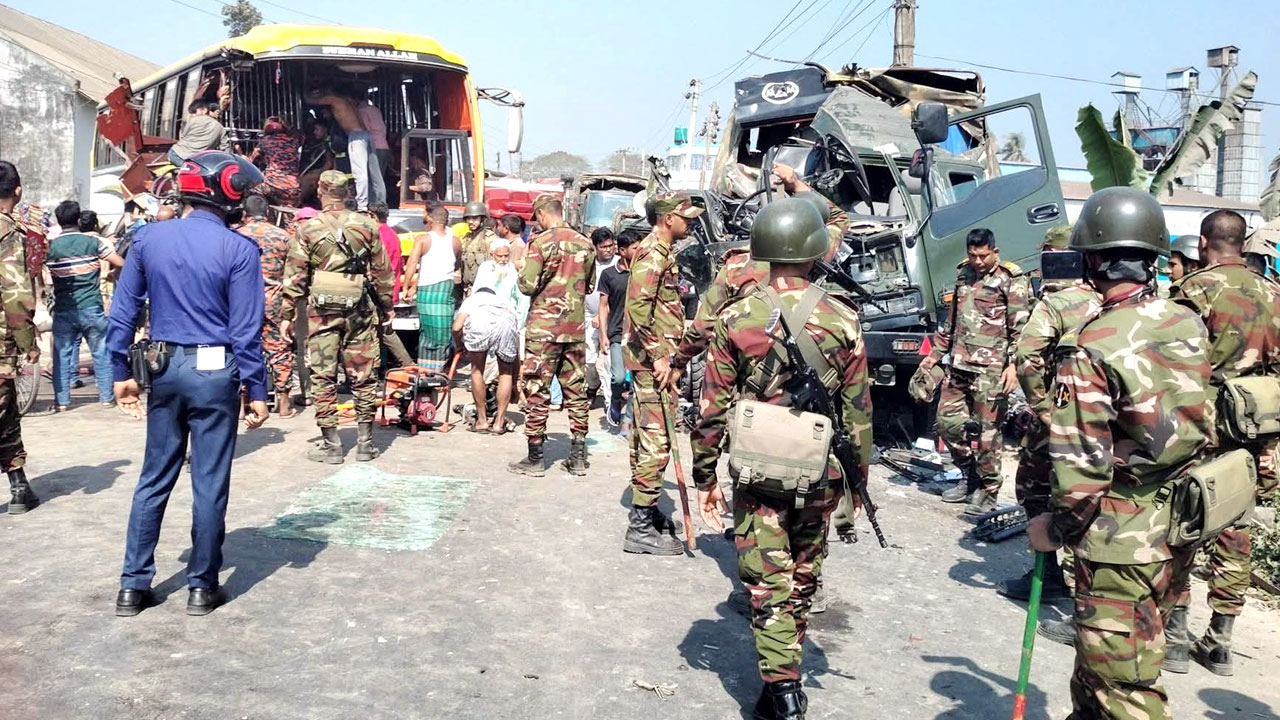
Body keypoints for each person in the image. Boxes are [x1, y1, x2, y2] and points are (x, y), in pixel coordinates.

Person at [1027, 187, 1210, 719]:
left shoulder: (1092, 344)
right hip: (1177, 521)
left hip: (1120, 540)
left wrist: (1053, 530)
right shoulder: (1186, 322)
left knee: (1124, 686)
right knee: (1102, 667)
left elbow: (1080, 469)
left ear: (1090, 260)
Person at [692, 198, 871, 720]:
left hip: (758, 471)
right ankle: (782, 680)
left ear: (765, 253)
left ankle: (783, 691)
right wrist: (857, 483)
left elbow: (712, 409)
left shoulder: (735, 317)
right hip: (821, 471)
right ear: (817, 250)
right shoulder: (844, 318)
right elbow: (858, 413)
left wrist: (706, 476)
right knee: (803, 574)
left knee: (768, 578)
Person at [107, 151, 271, 617]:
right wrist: (256, 391)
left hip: (162, 368)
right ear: (229, 192)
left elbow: (122, 313)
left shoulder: (147, 238)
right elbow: (245, 331)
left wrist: (120, 374)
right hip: (215, 373)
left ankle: (132, 587)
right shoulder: (239, 249)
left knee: (154, 476)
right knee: (209, 480)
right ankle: (202, 586)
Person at [1166, 209, 1280, 676]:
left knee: (1184, 518)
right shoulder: (1274, 293)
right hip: (1258, 430)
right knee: (1237, 527)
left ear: (1203, 242)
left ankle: (1174, 636)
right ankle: (1220, 642)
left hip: (1201, 427)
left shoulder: (1194, 290)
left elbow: (1170, 364)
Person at [999, 225, 1100, 605]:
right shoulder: (1109, 298)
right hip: (1103, 418)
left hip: (1061, 414)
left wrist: (1042, 411)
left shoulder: (1055, 303)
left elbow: (1027, 358)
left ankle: (1050, 573)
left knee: (1034, 486)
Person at [279, 171, 394, 463]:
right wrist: (387, 305)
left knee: (323, 375)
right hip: (359, 308)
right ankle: (365, 444)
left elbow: (295, 275)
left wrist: (288, 314)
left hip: (322, 311)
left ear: (321, 190)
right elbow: (382, 272)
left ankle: (332, 446)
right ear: (347, 193)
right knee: (364, 375)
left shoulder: (308, 228)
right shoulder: (367, 225)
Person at [918, 228, 1030, 515]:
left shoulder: (1011, 280)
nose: (978, 261)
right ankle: (969, 476)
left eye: (983, 255)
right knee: (947, 424)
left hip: (991, 370)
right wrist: (933, 357)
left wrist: (1014, 366)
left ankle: (989, 490)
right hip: (958, 364)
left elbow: (1021, 329)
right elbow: (951, 323)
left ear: (995, 251)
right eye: (972, 255)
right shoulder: (963, 275)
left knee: (987, 435)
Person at [621, 192, 703, 554]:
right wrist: (658, 355)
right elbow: (639, 307)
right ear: (668, 218)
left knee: (645, 439)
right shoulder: (654, 252)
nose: (691, 222)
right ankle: (639, 529)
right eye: (686, 217)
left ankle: (647, 511)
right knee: (657, 442)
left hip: (655, 361)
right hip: (655, 364)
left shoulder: (660, 250)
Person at [509, 194, 595, 476]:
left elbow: (526, 285)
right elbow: (590, 285)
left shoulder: (541, 243)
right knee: (576, 390)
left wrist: (521, 267)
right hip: (575, 328)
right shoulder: (585, 242)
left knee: (537, 389)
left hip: (544, 329)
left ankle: (535, 457)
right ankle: (579, 456)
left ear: (543, 214)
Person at [46, 200, 124, 410]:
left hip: (64, 308)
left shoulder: (52, 248)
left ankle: (62, 402)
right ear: (79, 219)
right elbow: (119, 263)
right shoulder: (93, 243)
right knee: (100, 351)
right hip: (91, 306)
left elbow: (48, 276)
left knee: (61, 355)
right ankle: (107, 398)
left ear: (59, 221)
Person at [0, 162, 39, 515]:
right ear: (18, 190)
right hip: (1, 342)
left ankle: (19, 487)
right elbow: (15, 293)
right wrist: (28, 343)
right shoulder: (9, 234)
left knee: (6, 409)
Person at [238, 195, 297, 417]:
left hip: (242, 302)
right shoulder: (283, 237)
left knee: (241, 348)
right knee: (280, 349)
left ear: (245, 213)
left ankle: (242, 405)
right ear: (269, 212)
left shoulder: (236, 236)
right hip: (275, 300)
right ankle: (284, 405)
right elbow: (294, 274)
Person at [402, 203, 460, 372]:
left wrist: (406, 286)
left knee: (427, 333)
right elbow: (456, 264)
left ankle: (425, 371)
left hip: (427, 293)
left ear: (431, 219)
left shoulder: (422, 239)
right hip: (445, 292)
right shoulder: (455, 242)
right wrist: (414, 286)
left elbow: (413, 263)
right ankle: (439, 371)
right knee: (443, 332)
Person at [453, 287, 519, 434]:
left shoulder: (471, 300)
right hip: (506, 320)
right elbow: (516, 352)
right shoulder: (505, 302)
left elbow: (457, 327)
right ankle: (498, 424)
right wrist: (514, 383)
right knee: (505, 373)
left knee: (477, 370)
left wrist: (459, 345)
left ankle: (482, 421)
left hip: (479, 320)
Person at [305, 88, 384, 210]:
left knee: (360, 173)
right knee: (374, 174)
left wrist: (306, 91)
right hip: (365, 134)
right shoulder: (349, 101)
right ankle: (380, 202)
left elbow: (310, 100)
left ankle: (362, 205)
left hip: (356, 136)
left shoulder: (336, 100)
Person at [597, 229, 638, 427]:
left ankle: (628, 418)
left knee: (637, 381)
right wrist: (603, 335)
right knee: (618, 377)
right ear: (622, 250)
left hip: (638, 335)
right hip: (617, 332)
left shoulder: (642, 272)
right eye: (635, 248)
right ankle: (615, 401)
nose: (639, 251)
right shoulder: (609, 274)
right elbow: (603, 306)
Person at [369, 202, 415, 368]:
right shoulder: (392, 235)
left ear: (372, 216)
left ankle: (404, 365)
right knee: (383, 331)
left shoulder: (377, 235)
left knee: (379, 331)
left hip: (379, 291)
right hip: (388, 289)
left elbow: (378, 268)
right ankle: (405, 365)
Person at [585, 227, 617, 406]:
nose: (608, 250)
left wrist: (601, 314)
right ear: (595, 247)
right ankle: (592, 385)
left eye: (611, 245)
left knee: (608, 363)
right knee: (588, 360)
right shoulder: (589, 262)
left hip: (610, 316)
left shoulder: (619, 263)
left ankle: (610, 402)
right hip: (587, 314)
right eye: (604, 247)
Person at [250, 116, 303, 208]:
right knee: (288, 211)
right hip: (293, 188)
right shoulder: (294, 140)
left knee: (251, 190)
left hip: (273, 185)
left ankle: (257, 217)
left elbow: (252, 159)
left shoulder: (265, 141)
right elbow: (300, 136)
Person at [458, 201, 497, 299]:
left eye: (475, 218)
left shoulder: (489, 239)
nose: (471, 221)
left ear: (482, 219)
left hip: (484, 290)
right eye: (468, 218)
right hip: (468, 289)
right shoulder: (466, 239)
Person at [298, 120, 336, 208]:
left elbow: (329, 163)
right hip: (325, 170)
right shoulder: (322, 143)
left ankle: (297, 204)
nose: (315, 132)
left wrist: (319, 174)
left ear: (325, 129)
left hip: (331, 171)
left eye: (317, 129)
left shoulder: (329, 143)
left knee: (305, 180)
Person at [355, 99, 391, 189]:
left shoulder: (362, 111)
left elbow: (364, 129)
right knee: (380, 178)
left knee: (373, 179)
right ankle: (381, 200)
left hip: (374, 148)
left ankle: (376, 201)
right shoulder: (375, 109)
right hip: (384, 147)